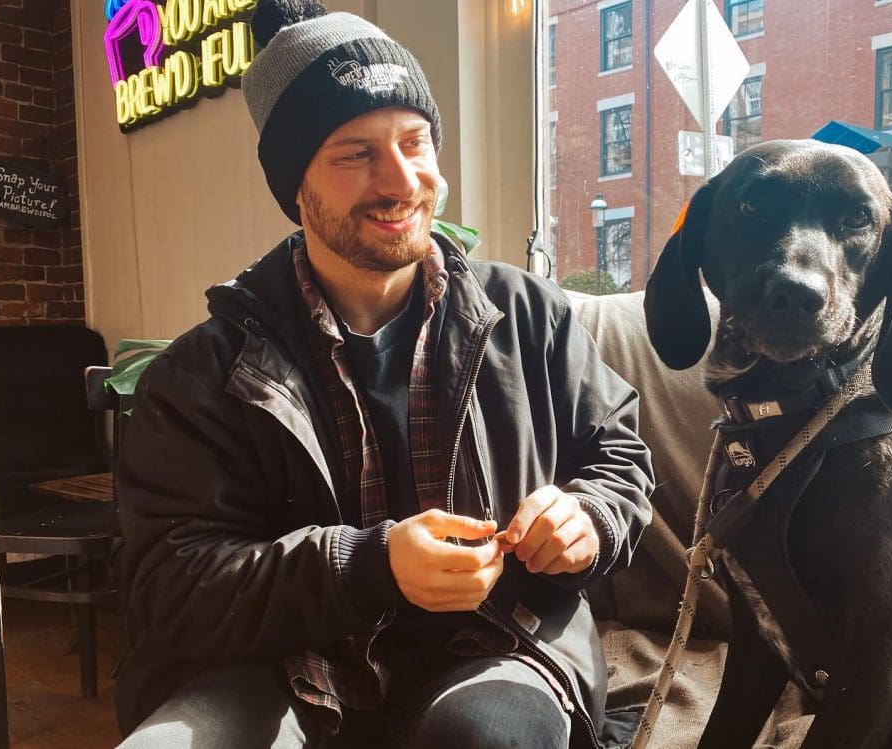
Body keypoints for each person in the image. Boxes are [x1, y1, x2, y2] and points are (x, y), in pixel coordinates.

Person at [114, 1, 654, 747]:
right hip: (282, 666)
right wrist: (366, 567)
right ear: (295, 187)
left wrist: (587, 516)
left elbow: (620, 459)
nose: (400, 179)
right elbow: (170, 587)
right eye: (355, 153)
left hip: (504, 639)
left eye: (415, 141)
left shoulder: (532, 316)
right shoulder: (200, 375)